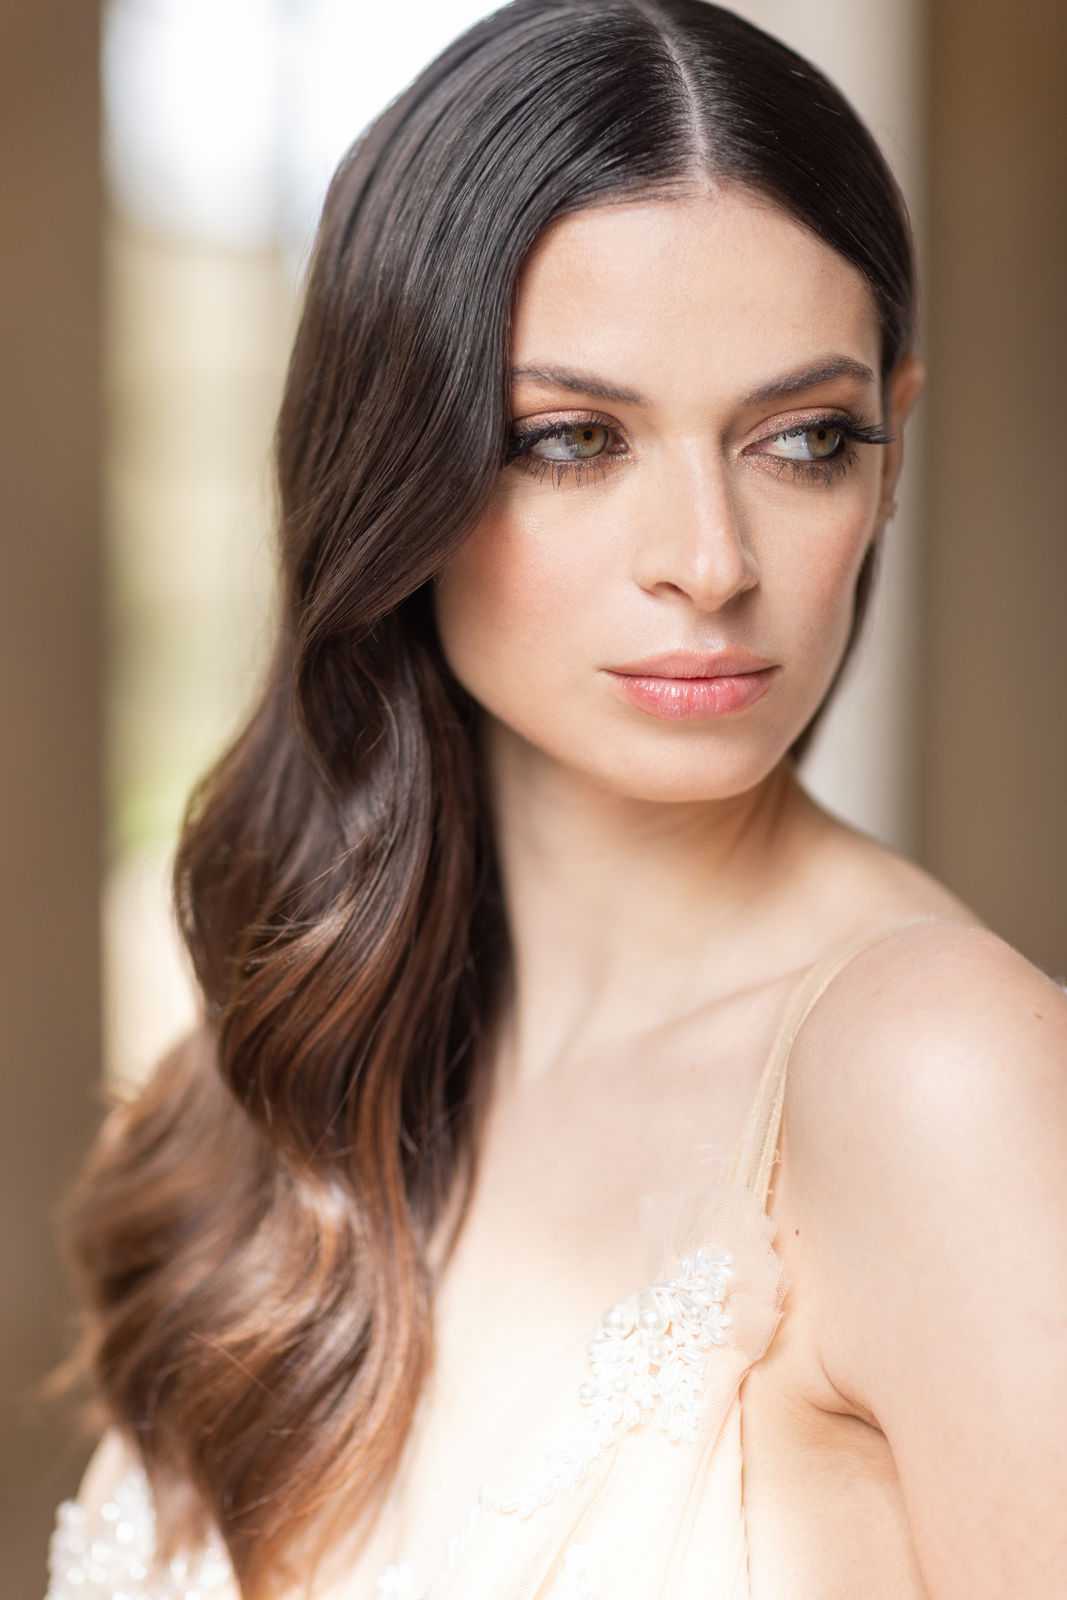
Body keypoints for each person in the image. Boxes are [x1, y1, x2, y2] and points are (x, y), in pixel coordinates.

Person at [42, 2, 1067, 1597]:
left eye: (803, 440)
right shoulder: (299, 1041)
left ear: (893, 446)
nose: (711, 563)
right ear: (400, 470)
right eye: (573, 440)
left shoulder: (942, 1086)